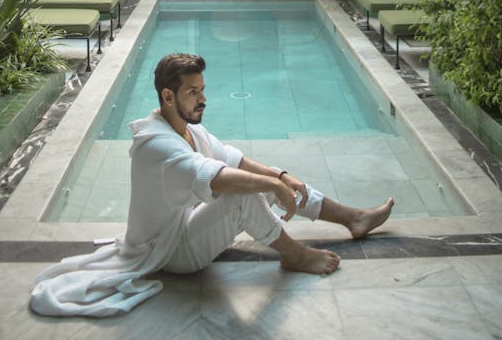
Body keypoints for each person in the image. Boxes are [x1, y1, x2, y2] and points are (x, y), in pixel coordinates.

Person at [30, 52, 394, 318]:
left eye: (202, 89)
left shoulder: (189, 128)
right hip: (171, 253)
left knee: (261, 179)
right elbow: (219, 178)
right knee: (242, 195)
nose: (203, 99)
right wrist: (270, 184)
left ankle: (352, 217)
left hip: (185, 228)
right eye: (193, 92)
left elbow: (234, 160)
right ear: (168, 97)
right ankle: (293, 254)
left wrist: (281, 178)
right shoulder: (156, 145)